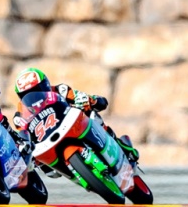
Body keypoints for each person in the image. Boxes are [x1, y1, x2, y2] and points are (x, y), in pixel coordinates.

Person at [11, 67, 139, 163]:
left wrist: (93, 100)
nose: (35, 98)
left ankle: (120, 146)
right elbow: (23, 136)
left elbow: (80, 97)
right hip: (48, 141)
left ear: (46, 85)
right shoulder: (20, 115)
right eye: (28, 95)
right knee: (44, 167)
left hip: (73, 126)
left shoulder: (60, 90)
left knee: (93, 116)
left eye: (38, 90)